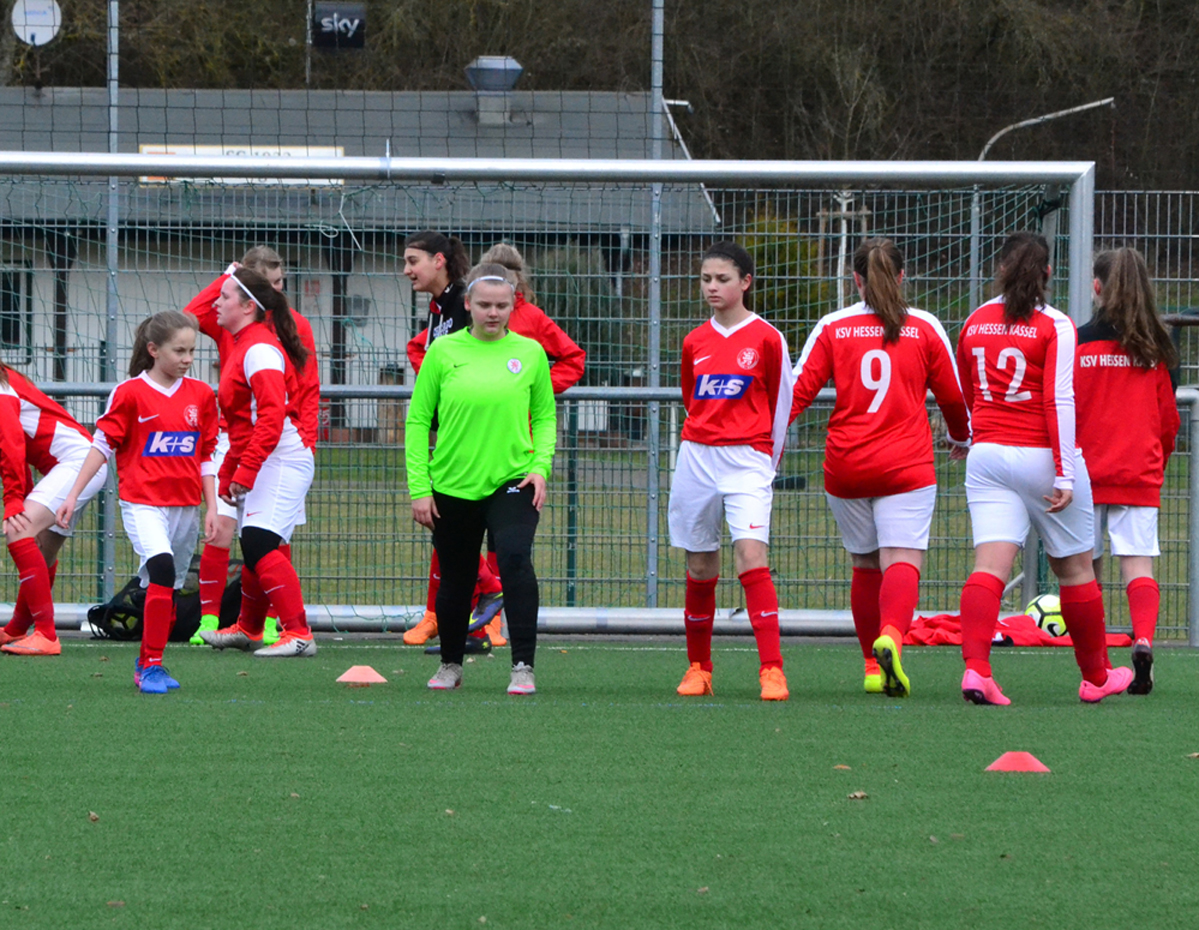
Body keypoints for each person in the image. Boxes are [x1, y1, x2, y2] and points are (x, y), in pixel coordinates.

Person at [955, 231, 1131, 705]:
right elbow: (1059, 399)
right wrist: (1065, 472)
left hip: (987, 456)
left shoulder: (974, 320)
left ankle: (976, 671)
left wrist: (966, 436)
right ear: (1049, 272)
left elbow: (968, 389)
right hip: (1040, 457)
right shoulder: (1056, 324)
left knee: (988, 567)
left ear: (1000, 268)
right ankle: (1096, 677)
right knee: (1075, 570)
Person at [790, 238, 971, 697]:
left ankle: (872, 667)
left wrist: (761, 446)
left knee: (865, 563)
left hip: (847, 465)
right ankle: (891, 635)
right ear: (903, 276)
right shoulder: (925, 327)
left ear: (855, 279)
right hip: (905, 465)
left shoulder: (833, 326)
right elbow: (953, 397)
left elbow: (796, 393)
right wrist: (960, 437)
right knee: (901, 560)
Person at [405, 262, 556, 694]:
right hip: (451, 484)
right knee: (456, 575)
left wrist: (540, 467)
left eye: (501, 306)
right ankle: (451, 664)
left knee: (514, 559)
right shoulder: (443, 352)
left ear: (512, 306)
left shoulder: (529, 353)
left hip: (513, 481)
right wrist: (420, 488)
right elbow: (418, 421)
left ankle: (522, 667)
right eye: (485, 305)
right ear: (468, 304)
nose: (493, 313)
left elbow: (545, 417)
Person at [56, 311, 219, 693]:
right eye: (179, 350)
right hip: (143, 502)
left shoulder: (201, 395)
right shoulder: (130, 393)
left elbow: (206, 454)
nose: (187, 359)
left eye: (192, 351)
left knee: (169, 587)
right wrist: (72, 494)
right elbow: (102, 445)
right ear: (153, 350)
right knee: (161, 569)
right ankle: (151, 666)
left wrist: (212, 506)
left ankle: (149, 658)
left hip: (185, 506)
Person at [667, 241, 793, 702]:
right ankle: (699, 668)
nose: (712, 287)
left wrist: (765, 461)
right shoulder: (694, 341)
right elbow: (692, 398)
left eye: (722, 279)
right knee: (700, 562)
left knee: (751, 556)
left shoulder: (767, 338)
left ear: (746, 282)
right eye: (706, 279)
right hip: (697, 458)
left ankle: (772, 670)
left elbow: (781, 405)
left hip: (748, 460)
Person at [183, 246, 320, 646]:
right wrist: (230, 470)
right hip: (265, 456)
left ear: (247, 306)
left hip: (281, 457)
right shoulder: (245, 342)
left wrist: (244, 470)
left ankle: (298, 632)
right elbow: (244, 424)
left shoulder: (259, 349)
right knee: (254, 541)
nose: (216, 301)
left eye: (224, 295)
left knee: (261, 543)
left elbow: (271, 420)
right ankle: (249, 627)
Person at [464, 241, 587, 647]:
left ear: (518, 284)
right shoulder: (468, 320)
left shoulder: (532, 319)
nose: (494, 308)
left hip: (519, 443)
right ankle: (464, 618)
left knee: (506, 538)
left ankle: (494, 623)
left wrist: (535, 390)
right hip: (471, 442)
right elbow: (423, 348)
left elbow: (573, 358)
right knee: (459, 533)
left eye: (507, 287)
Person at [1075, 246, 1179, 695]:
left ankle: (1099, 660)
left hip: (1085, 473)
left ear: (1096, 287)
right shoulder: (1157, 348)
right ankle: (1143, 640)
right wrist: (1157, 460)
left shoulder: (1076, 342)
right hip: (1138, 471)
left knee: (1085, 569)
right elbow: (1168, 420)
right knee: (1138, 564)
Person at [401, 231, 506, 650]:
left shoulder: (465, 302)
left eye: (413, 261)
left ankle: (489, 594)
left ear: (439, 261)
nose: (407, 270)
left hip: (472, 440)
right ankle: (464, 623)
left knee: (450, 525)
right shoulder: (440, 308)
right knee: (445, 526)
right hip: (451, 435)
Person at [0, 366, 107, 656]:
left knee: (18, 530)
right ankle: (17, 629)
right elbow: (11, 449)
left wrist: (13, 499)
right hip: (79, 464)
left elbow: (10, 442)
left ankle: (47, 634)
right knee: (41, 549)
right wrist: (21, 494)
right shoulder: (5, 380)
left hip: (77, 463)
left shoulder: (1, 387)